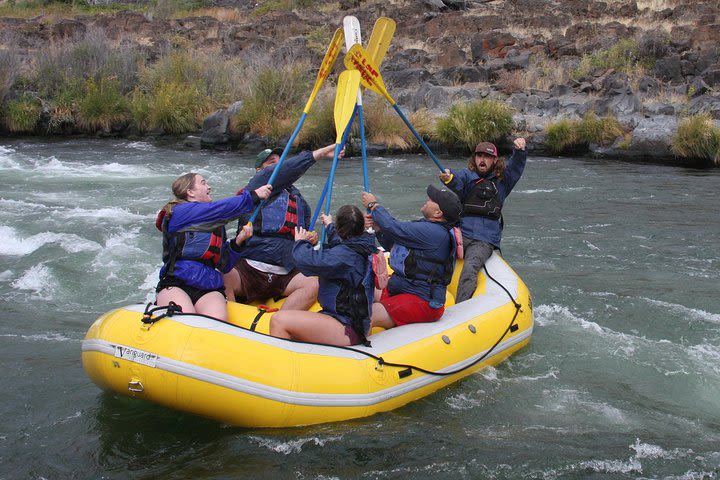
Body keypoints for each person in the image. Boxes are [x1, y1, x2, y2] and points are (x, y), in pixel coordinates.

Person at [224, 144, 342, 310]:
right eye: (272, 162)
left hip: (285, 272)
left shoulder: (298, 200)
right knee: (222, 276)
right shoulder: (254, 188)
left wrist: (310, 240)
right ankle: (229, 324)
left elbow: (300, 238)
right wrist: (320, 153)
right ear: (259, 171)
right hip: (250, 269)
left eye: (280, 162)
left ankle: (283, 321)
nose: (279, 166)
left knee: (313, 285)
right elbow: (279, 172)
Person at [155, 172, 272, 321]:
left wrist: (238, 242)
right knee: (185, 321)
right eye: (203, 183)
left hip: (208, 285)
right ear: (190, 192)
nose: (209, 186)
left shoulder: (215, 226)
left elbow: (224, 265)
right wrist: (253, 196)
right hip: (177, 282)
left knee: (216, 322)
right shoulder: (179, 213)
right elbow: (219, 209)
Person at [269, 205, 377, 346]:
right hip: (351, 321)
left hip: (347, 327)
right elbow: (342, 243)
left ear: (340, 229)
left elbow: (306, 261)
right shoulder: (363, 245)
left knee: (278, 320)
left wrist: (301, 242)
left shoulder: (344, 257)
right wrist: (330, 225)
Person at [438, 137, 527, 303]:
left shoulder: (503, 181)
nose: (482, 160)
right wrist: (448, 177)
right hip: (462, 233)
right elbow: (455, 179)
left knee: (470, 268)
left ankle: (460, 307)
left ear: (494, 160)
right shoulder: (467, 176)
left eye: (486, 157)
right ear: (475, 159)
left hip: (484, 239)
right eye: (479, 156)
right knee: (437, 253)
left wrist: (520, 151)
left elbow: (516, 167)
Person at [362, 186, 461, 330]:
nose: (428, 199)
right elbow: (395, 246)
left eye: (433, 199)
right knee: (363, 290)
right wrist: (378, 228)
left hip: (422, 301)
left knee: (369, 313)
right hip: (405, 288)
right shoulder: (428, 226)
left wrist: (373, 206)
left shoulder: (434, 233)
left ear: (438, 213)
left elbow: (393, 226)